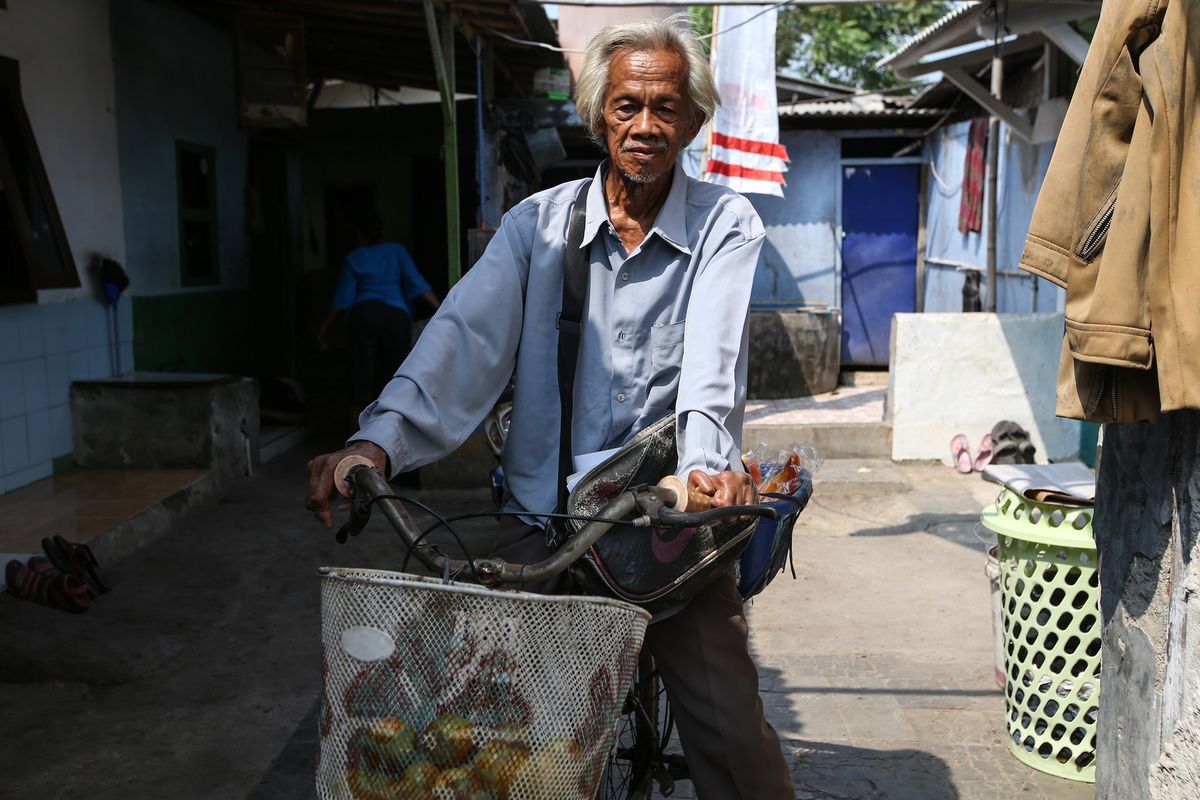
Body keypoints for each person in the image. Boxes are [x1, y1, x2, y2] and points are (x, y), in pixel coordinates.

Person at [306, 17, 793, 797]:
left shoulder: (724, 224)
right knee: (479, 735)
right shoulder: (537, 224)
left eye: (667, 108)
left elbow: (712, 367)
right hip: (545, 523)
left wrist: (709, 469)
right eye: (627, 105)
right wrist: (377, 445)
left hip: (663, 528)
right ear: (597, 113)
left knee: (732, 733)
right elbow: (460, 342)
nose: (645, 126)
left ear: (696, 123)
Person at [317, 212, 441, 426]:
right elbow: (417, 282)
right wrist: (441, 308)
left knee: (361, 374)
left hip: (364, 315)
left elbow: (343, 299)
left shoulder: (353, 258)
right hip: (396, 316)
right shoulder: (397, 251)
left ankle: (357, 436)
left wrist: (323, 328)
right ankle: (397, 429)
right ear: (381, 232)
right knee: (398, 375)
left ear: (359, 235)